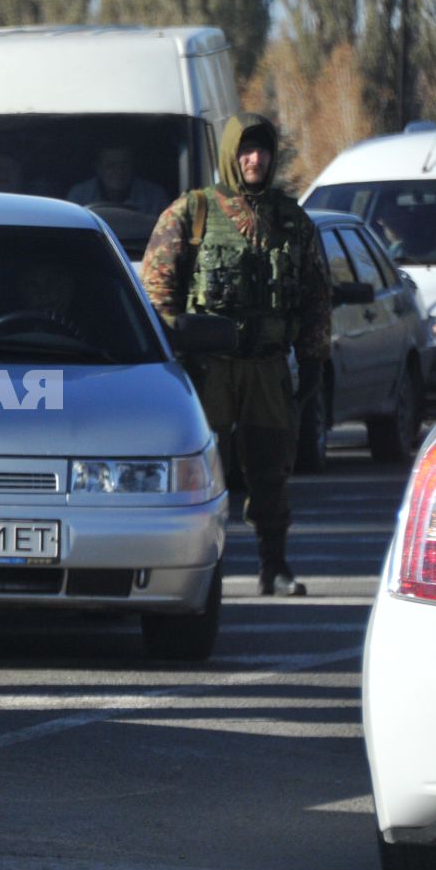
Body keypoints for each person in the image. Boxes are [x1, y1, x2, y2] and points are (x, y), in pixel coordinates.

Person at [141, 113, 331, 597]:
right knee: (206, 474)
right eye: (246, 150)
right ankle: (206, 568)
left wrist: (312, 357)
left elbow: (315, 294)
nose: (255, 159)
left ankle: (275, 563)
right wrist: (174, 358)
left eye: (263, 150)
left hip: (267, 367)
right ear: (230, 154)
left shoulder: (291, 220)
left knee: (272, 470)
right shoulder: (192, 212)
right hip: (209, 371)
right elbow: (158, 289)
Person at [69, 145, 168, 215]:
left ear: (133, 166)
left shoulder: (155, 197)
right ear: (99, 169)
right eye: (110, 165)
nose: (118, 171)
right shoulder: (79, 196)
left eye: (124, 164)